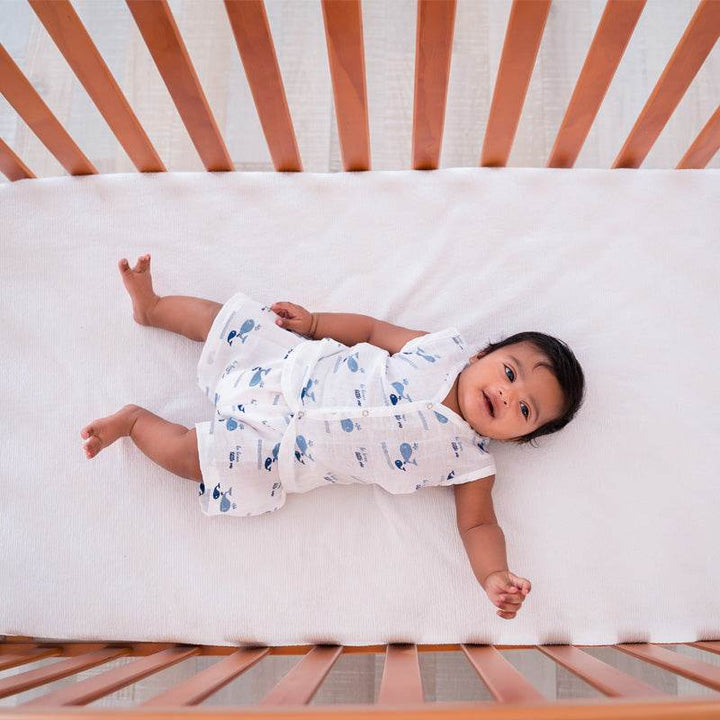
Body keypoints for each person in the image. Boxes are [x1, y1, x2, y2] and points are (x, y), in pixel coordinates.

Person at [81, 253, 585, 620]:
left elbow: (478, 526)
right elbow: (371, 331)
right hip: (287, 365)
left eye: (525, 410)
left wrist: (494, 574)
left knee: (195, 457)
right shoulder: (438, 350)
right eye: (510, 372)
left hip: (278, 449)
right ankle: (154, 307)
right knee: (228, 323)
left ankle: (134, 422)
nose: (506, 394)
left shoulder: (471, 463)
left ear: (518, 438)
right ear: (481, 354)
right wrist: (317, 323)